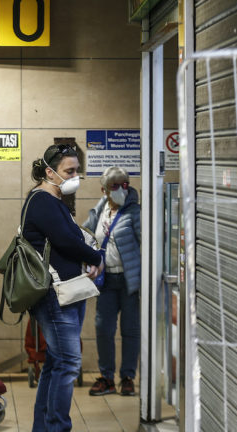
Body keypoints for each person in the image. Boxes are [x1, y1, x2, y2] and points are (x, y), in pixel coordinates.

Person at [24, 144, 103, 432]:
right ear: (49, 171)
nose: (75, 177)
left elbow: (72, 239)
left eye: (77, 171)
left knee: (57, 362)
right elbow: (67, 241)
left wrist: (88, 255)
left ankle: (43, 428)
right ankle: (57, 427)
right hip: (55, 297)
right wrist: (96, 258)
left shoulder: (54, 200)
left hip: (67, 293)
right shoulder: (42, 201)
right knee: (69, 363)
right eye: (69, 171)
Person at [83, 166, 141, 397]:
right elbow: (87, 237)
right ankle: (106, 377)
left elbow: (147, 244)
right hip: (106, 280)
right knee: (103, 329)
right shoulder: (99, 211)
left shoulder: (135, 212)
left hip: (129, 280)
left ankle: (127, 377)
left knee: (130, 330)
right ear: (104, 190)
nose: (120, 190)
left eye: (124, 184)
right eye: (114, 186)